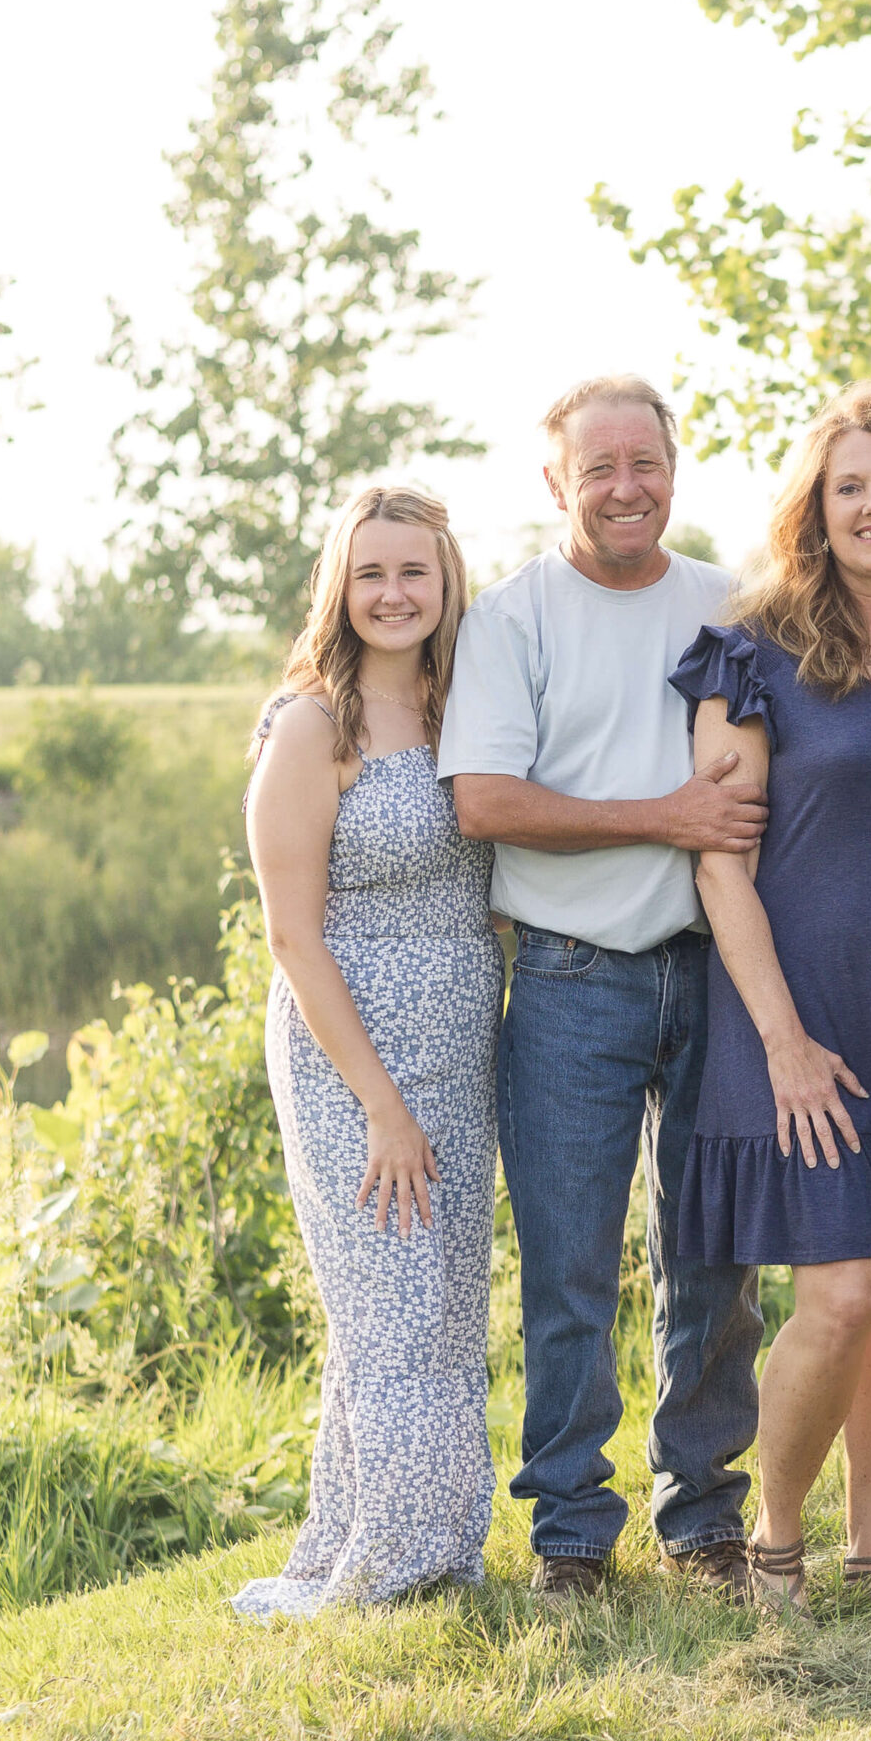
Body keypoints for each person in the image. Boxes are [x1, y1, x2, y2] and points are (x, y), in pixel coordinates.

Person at [438, 375, 770, 1602]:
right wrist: (665, 816)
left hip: (713, 970)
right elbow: (486, 798)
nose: (626, 488)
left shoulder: (730, 602)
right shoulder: (513, 618)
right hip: (574, 979)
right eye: (598, 469)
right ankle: (573, 1529)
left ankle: (705, 1515)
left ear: (674, 465)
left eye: (646, 463)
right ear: (555, 484)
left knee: (714, 1258)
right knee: (569, 1268)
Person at [668, 382, 871, 1610]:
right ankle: (775, 1539)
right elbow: (719, 861)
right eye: (849, 485)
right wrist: (785, 1039)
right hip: (789, 1016)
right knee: (841, 1287)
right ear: (813, 507)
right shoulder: (752, 653)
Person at [233, 485, 500, 1618]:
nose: (394, 593)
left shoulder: (465, 708)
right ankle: (387, 1570)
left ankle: (410, 1543)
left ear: (445, 584)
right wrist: (383, 1104)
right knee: (388, 1308)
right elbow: (292, 932)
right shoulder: (311, 726)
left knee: (440, 1306)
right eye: (372, 573)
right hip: (353, 1058)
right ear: (340, 585)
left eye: (414, 573)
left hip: (462, 1050)